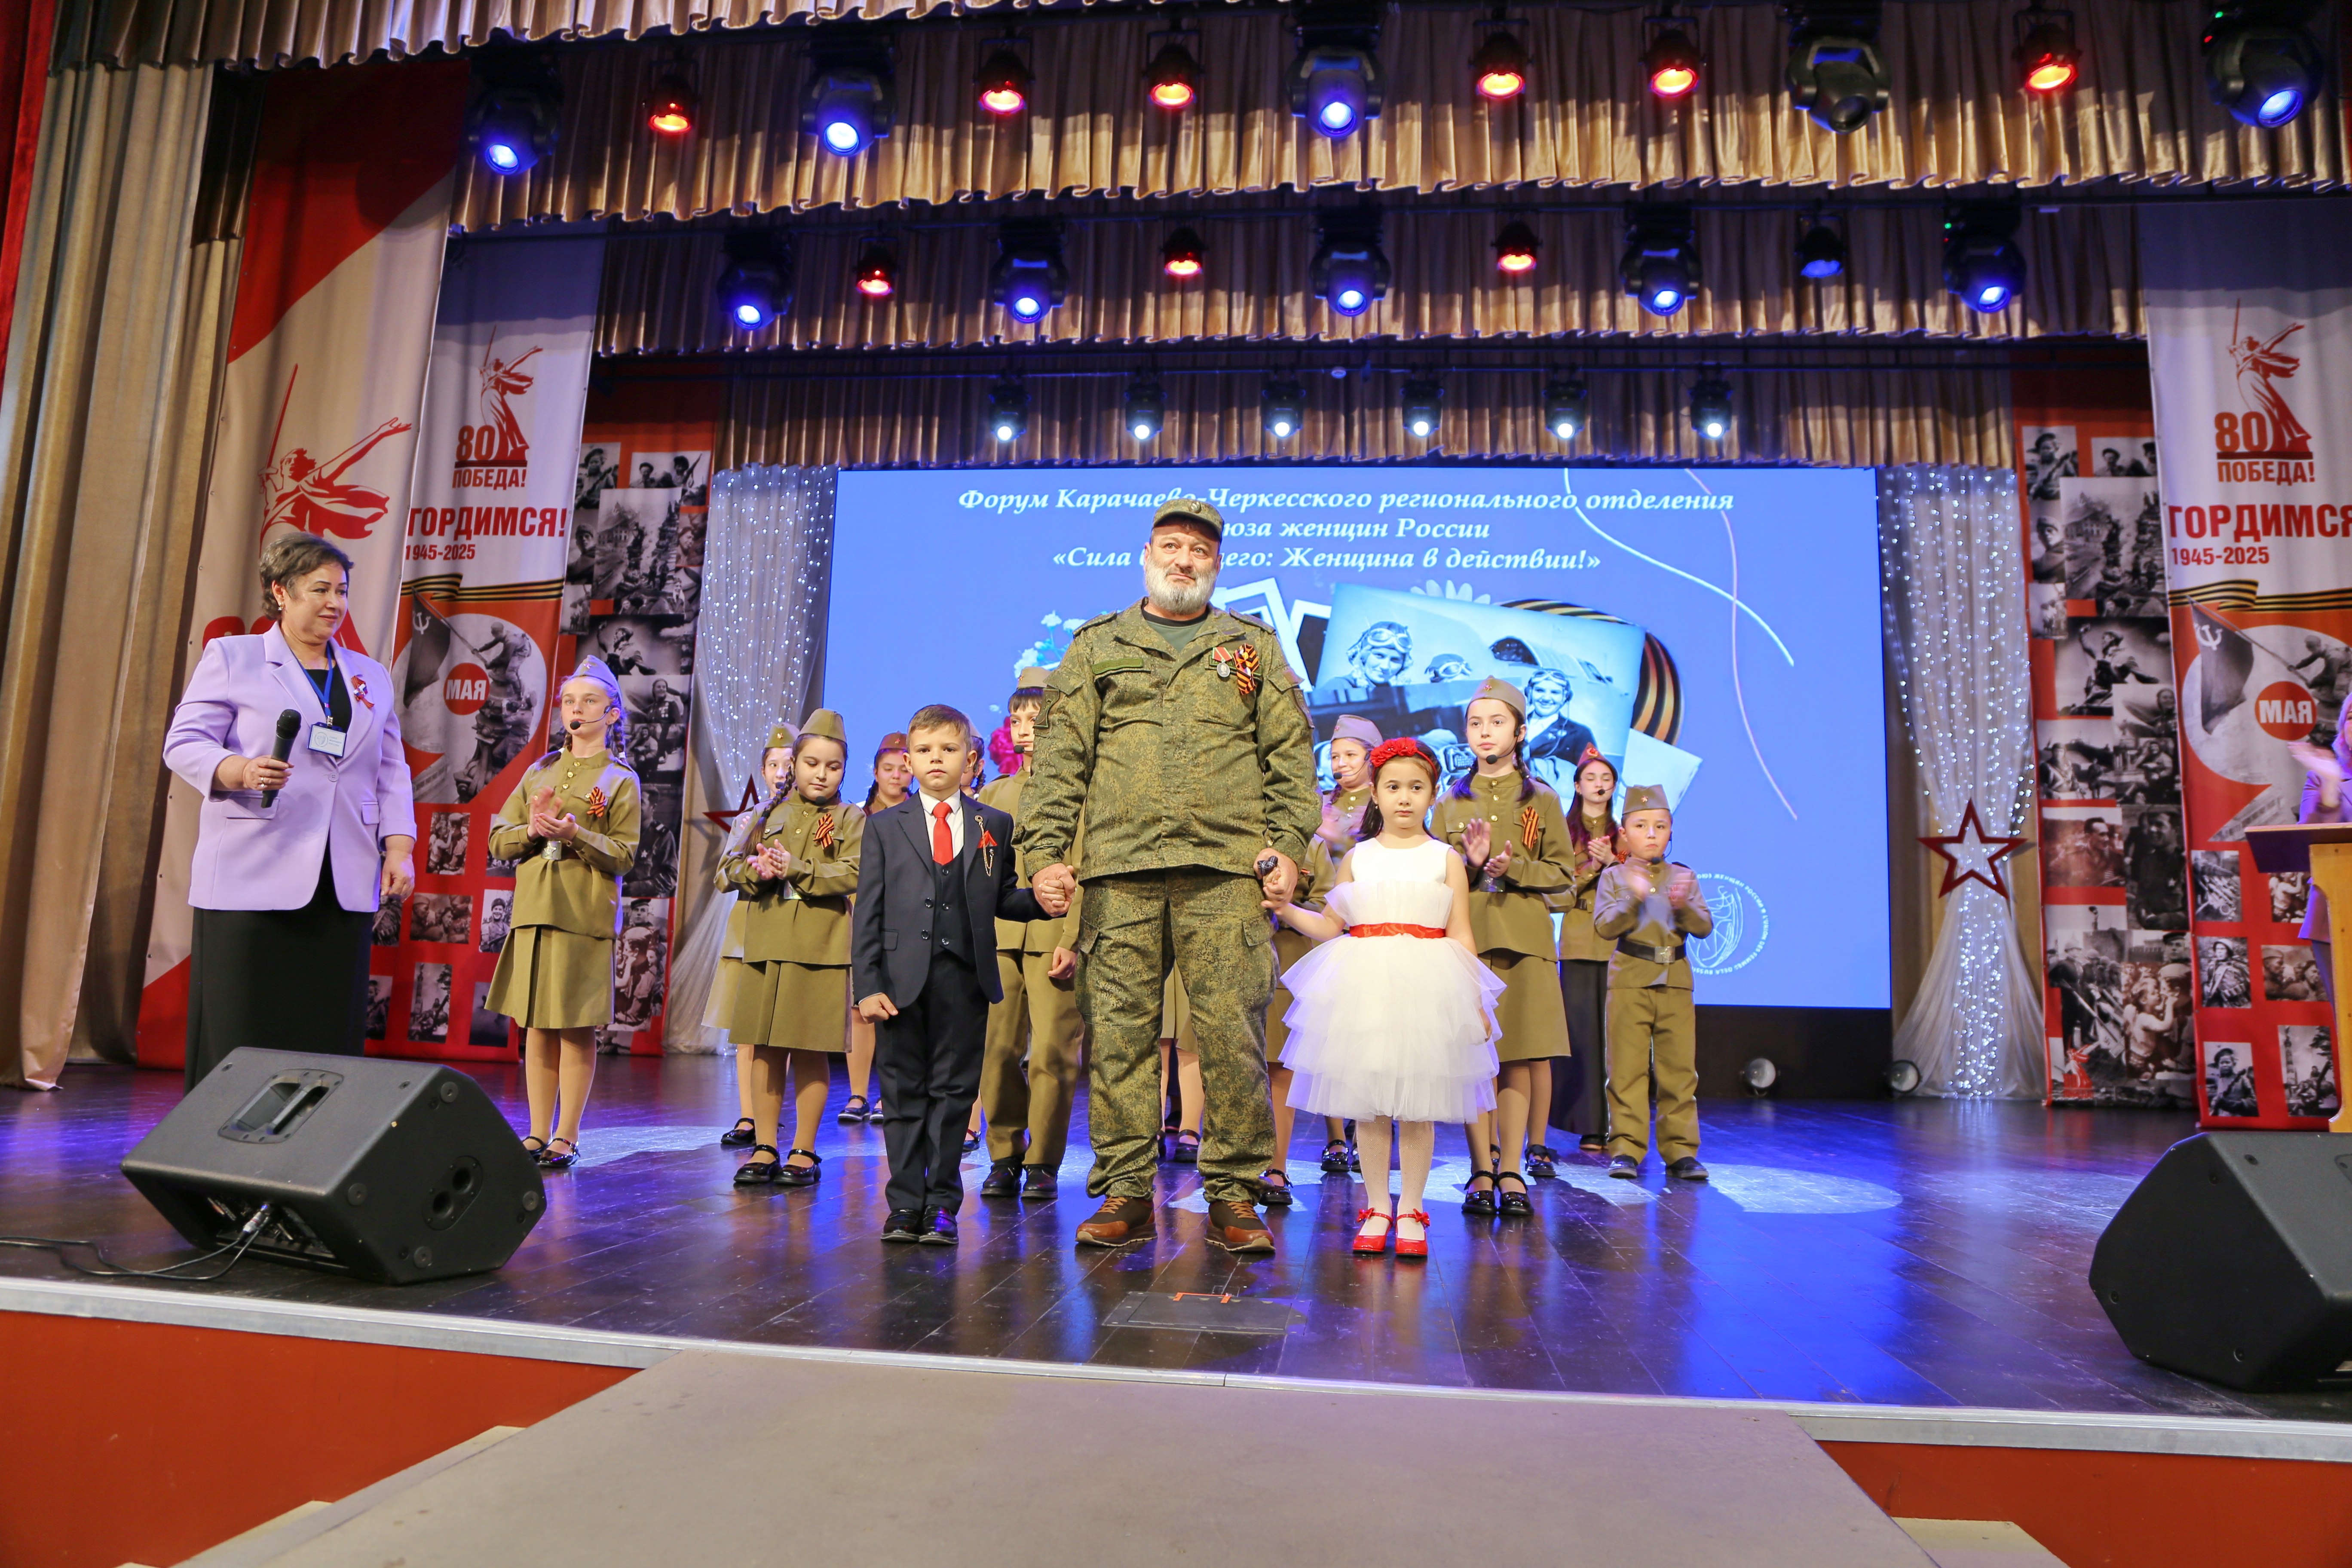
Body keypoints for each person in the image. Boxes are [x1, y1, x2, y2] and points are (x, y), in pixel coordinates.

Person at [1020, 496, 1319, 1253]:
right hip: (1119, 870)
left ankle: (1235, 1193)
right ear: (1147, 556)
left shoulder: (1251, 647)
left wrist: (1289, 847)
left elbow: (1290, 758)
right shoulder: (1097, 644)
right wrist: (1045, 854)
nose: (1184, 560)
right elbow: (1059, 761)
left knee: (1232, 1038)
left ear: (1217, 565)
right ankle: (1126, 1188)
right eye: (1171, 546)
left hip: (1225, 871)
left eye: (1199, 550)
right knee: (1119, 1039)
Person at [163, 534, 417, 1091]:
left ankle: (313, 1139)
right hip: (254, 870)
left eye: (342, 591)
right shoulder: (235, 657)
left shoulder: (369, 676)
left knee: (326, 1032)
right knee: (244, 1030)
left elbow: (391, 768)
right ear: (280, 592)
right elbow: (183, 743)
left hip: (342, 877)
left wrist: (399, 847)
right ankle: (223, 1137)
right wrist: (239, 770)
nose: (334, 603)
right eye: (320, 590)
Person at [1271, 738, 1502, 1258]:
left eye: (1416, 788)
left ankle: (1412, 1209)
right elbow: (1330, 925)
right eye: (1394, 787)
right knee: (1371, 1105)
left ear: (1433, 795)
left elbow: (1461, 932)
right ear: (1375, 793)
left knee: (1419, 1107)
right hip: (1367, 988)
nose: (1404, 797)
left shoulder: (1446, 859)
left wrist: (1475, 999)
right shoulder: (1359, 857)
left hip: (1428, 987)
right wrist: (1286, 910)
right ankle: (1377, 1207)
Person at [853, 706, 1055, 1244]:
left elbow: (1003, 896)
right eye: (924, 751)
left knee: (953, 1094)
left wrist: (1040, 902)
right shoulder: (884, 827)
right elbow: (868, 911)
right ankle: (904, 1205)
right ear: (909, 761)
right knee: (902, 1094)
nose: (936, 759)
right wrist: (867, 986)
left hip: (964, 979)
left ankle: (942, 1204)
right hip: (899, 982)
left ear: (970, 759)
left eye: (948, 750)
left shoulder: (994, 824)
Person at [484, 657, 640, 1170]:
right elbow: (498, 838)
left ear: (612, 714)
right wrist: (532, 830)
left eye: (589, 701)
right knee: (536, 1024)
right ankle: (535, 1132)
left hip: (583, 913)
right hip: (536, 909)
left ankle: (566, 1135)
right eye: (570, 701)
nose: (577, 709)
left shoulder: (620, 779)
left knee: (573, 1026)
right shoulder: (539, 771)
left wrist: (576, 834)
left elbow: (625, 854)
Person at [1427, 677, 1573, 1217]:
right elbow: (1433, 879)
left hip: (1526, 942)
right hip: (1469, 942)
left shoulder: (1542, 799)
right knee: (1476, 1059)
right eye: (1475, 723)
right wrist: (1468, 866)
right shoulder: (1450, 802)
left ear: (1520, 731)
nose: (1484, 732)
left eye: (1497, 722)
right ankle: (1480, 1170)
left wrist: (1515, 868)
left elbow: (1565, 878)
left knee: (1517, 1060)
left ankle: (1512, 1168)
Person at [721, 710, 863, 1188]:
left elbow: (857, 872)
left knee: (809, 1048)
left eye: (833, 766)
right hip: (767, 944)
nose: (821, 774)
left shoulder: (851, 818)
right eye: (812, 764)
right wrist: (755, 872)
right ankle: (765, 1145)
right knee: (764, 1047)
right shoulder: (767, 814)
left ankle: (803, 1148)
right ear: (795, 765)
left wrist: (797, 869)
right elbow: (727, 870)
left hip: (821, 948)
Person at [975, 674, 1086, 1202]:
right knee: (996, 1050)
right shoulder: (994, 793)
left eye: (1035, 718)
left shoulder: (1080, 792)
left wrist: (1074, 936)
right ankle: (1003, 1154)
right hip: (998, 938)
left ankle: (1043, 1160)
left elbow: (1086, 869)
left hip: (1053, 938)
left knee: (1051, 1053)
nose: (1025, 729)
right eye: (1016, 719)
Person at [1595, 784, 1714, 1180]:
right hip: (1630, 978)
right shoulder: (1614, 876)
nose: (1651, 834)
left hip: (1676, 980)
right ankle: (1626, 1149)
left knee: (1679, 1071)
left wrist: (1683, 905)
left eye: (1660, 826)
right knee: (1627, 1070)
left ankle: (1681, 1151)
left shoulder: (1684, 876)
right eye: (1641, 826)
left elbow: (1705, 927)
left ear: (1671, 832)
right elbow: (1605, 927)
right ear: (1624, 833)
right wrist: (1633, 898)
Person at [1307, 714, 1381, 1175]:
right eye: (1335, 756)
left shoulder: (1384, 803)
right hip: (1329, 927)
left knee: (1369, 1036)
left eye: (1351, 755)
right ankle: (1336, 1136)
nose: (1340, 764)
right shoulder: (1320, 805)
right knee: (1331, 1037)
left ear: (1372, 757)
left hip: (1370, 926)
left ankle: (1367, 1124)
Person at [714, 726, 793, 1148]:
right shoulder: (750, 820)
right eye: (773, 765)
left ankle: (770, 1117)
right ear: (763, 771)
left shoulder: (807, 817)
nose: (781, 773)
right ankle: (748, 1115)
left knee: (782, 1033)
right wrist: (752, 869)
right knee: (747, 1030)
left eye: (789, 764)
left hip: (791, 929)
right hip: (748, 929)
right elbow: (722, 876)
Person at [840, 733, 913, 1124]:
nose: (896, 776)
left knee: (896, 1007)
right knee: (860, 1006)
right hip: (864, 917)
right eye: (888, 769)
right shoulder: (857, 816)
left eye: (903, 769)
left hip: (906, 919)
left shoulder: (920, 815)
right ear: (875, 772)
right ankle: (857, 1094)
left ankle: (889, 1093)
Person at [1554, 746, 1619, 1158]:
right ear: (1578, 786)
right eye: (1591, 778)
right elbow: (1558, 889)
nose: (1599, 785)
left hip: (1617, 946)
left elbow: (1639, 886)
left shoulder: (1625, 832)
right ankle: (1586, 1123)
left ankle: (1615, 1123)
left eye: (1606, 779)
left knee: (1614, 1037)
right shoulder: (1563, 831)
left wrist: (1614, 861)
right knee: (1581, 1036)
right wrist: (1593, 868)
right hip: (1578, 942)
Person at [2290, 698, 2352, 1008]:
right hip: (2338, 914)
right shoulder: (2322, 777)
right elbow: (2309, 841)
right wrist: (2330, 786)